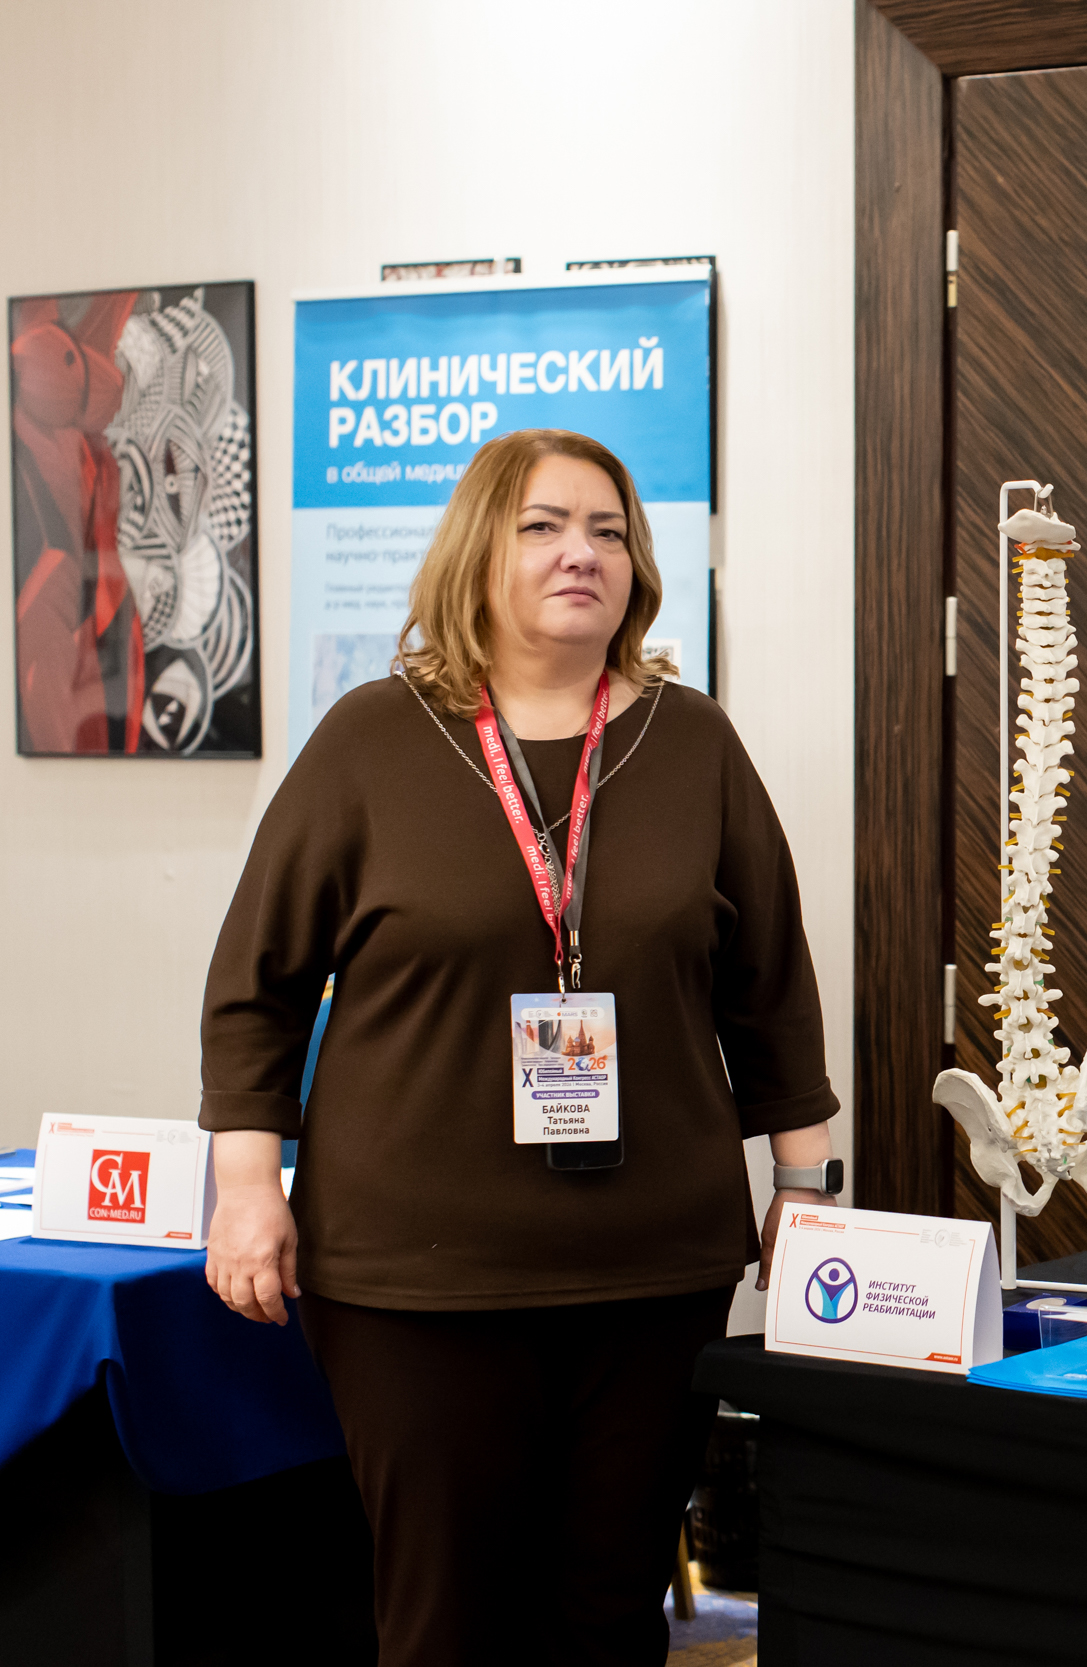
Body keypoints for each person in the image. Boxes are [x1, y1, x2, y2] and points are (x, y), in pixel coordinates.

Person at [199, 429, 839, 1667]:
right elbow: (254, 987)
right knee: (448, 1622)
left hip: (654, 1268)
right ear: (476, 550)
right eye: (542, 525)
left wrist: (806, 1188)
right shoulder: (370, 740)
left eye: (607, 530)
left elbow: (769, 988)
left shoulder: (695, 742)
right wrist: (244, 1187)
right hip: (414, 1278)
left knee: (608, 1616)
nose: (579, 552)